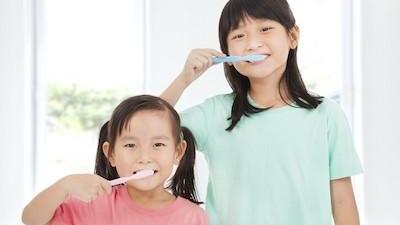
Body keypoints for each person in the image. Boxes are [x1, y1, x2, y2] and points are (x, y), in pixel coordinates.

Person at [161, 0, 363, 224]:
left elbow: (343, 201)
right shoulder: (214, 114)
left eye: (265, 29)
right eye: (239, 35)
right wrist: (184, 79)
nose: (252, 43)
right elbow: (143, 133)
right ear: (227, 53)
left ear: (292, 37)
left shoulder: (327, 114)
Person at [22, 95, 209, 225]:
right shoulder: (94, 204)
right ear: (110, 154)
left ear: (178, 151)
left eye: (158, 145)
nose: (144, 158)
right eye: (130, 146)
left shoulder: (193, 218)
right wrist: (65, 185)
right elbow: (31, 219)